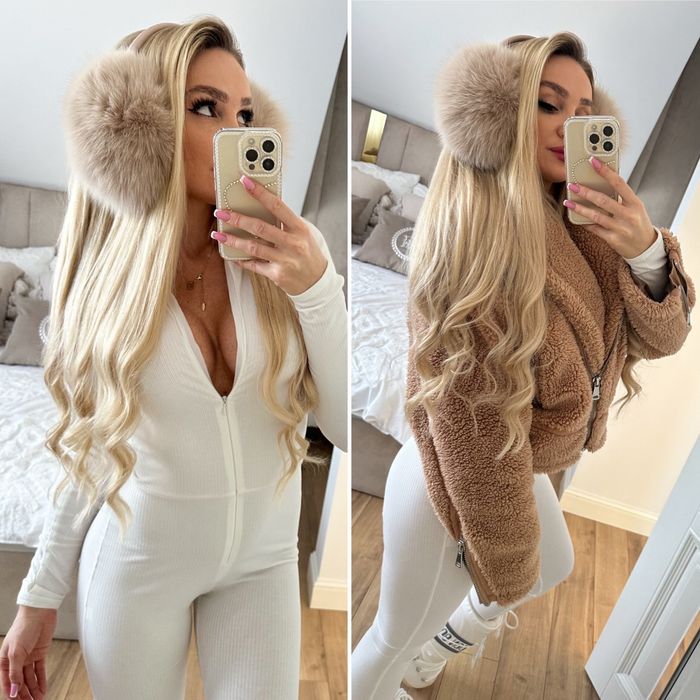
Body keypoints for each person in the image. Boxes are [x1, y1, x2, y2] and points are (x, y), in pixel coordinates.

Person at [0, 16, 347, 700]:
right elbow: (88, 449)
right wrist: (38, 596)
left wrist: (316, 290)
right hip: (137, 565)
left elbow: (336, 425)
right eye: (205, 108)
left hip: (264, 563)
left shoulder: (293, 261)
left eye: (243, 114)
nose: (236, 134)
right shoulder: (101, 281)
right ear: (143, 129)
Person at [351, 31, 694, 700]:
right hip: (455, 483)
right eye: (547, 104)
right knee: (390, 640)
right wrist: (501, 566)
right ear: (500, 114)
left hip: (522, 458)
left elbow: (664, 337)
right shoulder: (476, 248)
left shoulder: (581, 220)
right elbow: (470, 430)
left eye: (583, 111)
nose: (570, 126)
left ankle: (433, 654)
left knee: (553, 563)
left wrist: (646, 250)